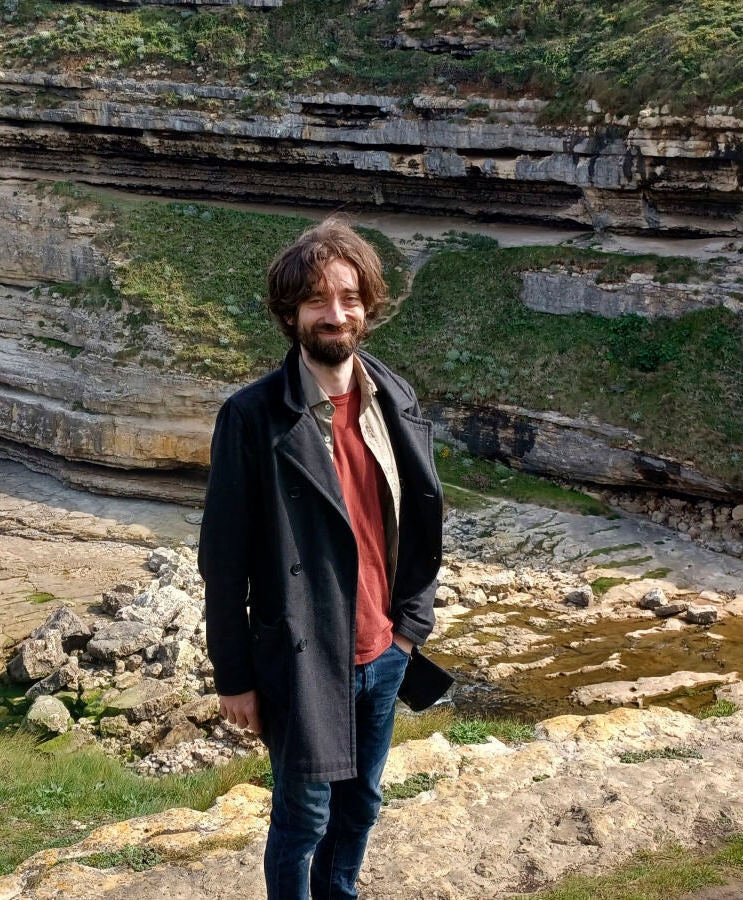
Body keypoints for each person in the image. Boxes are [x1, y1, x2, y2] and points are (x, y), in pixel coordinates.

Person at [198, 217, 444, 899]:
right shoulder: (252, 416)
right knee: (303, 819)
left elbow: (422, 516)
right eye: (316, 300)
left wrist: (409, 629)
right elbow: (223, 561)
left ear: (367, 307)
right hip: (304, 660)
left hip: (384, 652)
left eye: (348, 297)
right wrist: (234, 676)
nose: (335, 314)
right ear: (290, 314)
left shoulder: (393, 398)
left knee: (360, 805)